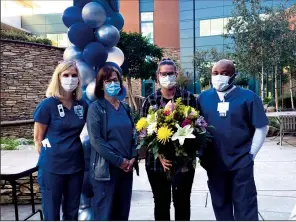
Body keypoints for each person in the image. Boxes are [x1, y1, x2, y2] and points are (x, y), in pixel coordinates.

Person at [198, 59, 268, 221]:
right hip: (214, 161)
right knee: (221, 205)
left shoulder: (249, 97)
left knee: (245, 205)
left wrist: (251, 154)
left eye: (224, 73)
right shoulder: (203, 98)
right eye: (215, 73)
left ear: (233, 75)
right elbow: (196, 126)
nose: (219, 77)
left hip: (241, 161)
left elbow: (261, 127)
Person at [141, 58, 197, 221]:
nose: (167, 77)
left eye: (170, 73)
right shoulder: (150, 101)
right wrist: (160, 155)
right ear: (157, 76)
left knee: (182, 204)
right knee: (161, 204)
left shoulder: (189, 99)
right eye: (163, 74)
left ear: (176, 74)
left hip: (184, 164)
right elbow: (144, 135)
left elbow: (198, 130)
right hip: (156, 165)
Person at [33, 61, 88, 220]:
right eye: (66, 75)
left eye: (74, 75)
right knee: (52, 213)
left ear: (78, 79)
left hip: (75, 167)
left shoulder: (82, 105)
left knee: (72, 212)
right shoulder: (47, 105)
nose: (70, 79)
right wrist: (50, 154)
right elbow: (38, 139)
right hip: (52, 168)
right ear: (58, 78)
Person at [87, 66, 137, 221]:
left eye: (115, 80)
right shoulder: (95, 108)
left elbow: (134, 135)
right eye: (108, 81)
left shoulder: (126, 108)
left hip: (126, 170)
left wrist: (134, 157)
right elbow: (96, 140)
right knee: (105, 214)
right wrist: (119, 161)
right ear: (101, 84)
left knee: (122, 213)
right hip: (106, 171)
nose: (113, 83)